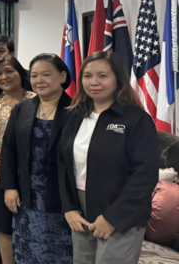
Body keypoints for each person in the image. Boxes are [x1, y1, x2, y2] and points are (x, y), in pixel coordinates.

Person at [58, 51, 158, 264]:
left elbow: (144, 175)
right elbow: (62, 163)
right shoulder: (76, 114)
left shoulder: (136, 119)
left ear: (118, 79)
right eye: (87, 76)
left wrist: (112, 218)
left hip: (122, 211)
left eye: (102, 76)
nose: (93, 82)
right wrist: (69, 208)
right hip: (80, 209)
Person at [0, 53, 74, 264]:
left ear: (62, 76)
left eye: (46, 74)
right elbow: (8, 149)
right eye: (34, 75)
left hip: (63, 198)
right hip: (27, 195)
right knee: (27, 251)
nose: (39, 80)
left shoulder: (77, 110)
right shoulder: (22, 108)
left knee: (60, 254)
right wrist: (10, 187)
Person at [0, 55, 36, 264]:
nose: (4, 76)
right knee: (4, 227)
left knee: (30, 226)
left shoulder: (36, 101)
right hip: (0, 177)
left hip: (32, 177)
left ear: (21, 73)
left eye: (9, 71)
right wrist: (2, 161)